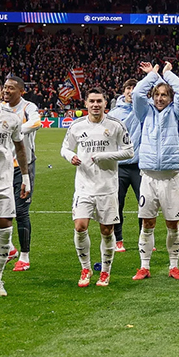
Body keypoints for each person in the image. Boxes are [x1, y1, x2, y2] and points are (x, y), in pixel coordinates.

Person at [60, 87, 133, 288]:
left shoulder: (116, 125)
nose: (95, 105)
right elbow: (64, 148)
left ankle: (106, 272)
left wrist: (104, 156)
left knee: (107, 230)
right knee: (80, 226)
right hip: (83, 186)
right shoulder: (76, 126)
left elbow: (129, 151)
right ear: (86, 104)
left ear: (105, 103)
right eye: (91, 101)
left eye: (99, 101)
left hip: (108, 187)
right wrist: (70, 156)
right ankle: (85, 268)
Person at [131, 61, 179, 281]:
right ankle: (144, 267)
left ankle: (174, 266)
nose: (159, 98)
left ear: (170, 98)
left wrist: (167, 73)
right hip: (148, 177)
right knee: (147, 223)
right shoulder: (144, 113)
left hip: (171, 178)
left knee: (172, 224)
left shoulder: (178, 113)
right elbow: (137, 93)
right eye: (156, 94)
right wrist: (153, 75)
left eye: (164, 95)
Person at [0, 75, 30, 296]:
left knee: (5, 232)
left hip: (3, 183)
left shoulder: (11, 118)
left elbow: (20, 148)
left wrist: (26, 178)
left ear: (2, 93)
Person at [0, 76, 40, 271]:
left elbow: (37, 123)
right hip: (1, 166)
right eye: (5, 88)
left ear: (21, 91)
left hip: (23, 166)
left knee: (21, 210)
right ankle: (9, 249)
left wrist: (15, 128)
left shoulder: (28, 108)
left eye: (10, 88)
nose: (6, 91)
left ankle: (24, 256)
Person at [107, 78, 142, 254]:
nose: (131, 91)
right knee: (117, 204)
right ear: (124, 91)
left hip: (139, 165)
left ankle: (145, 238)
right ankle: (118, 239)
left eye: (135, 88)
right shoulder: (114, 113)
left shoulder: (144, 108)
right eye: (129, 88)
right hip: (119, 166)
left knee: (145, 204)